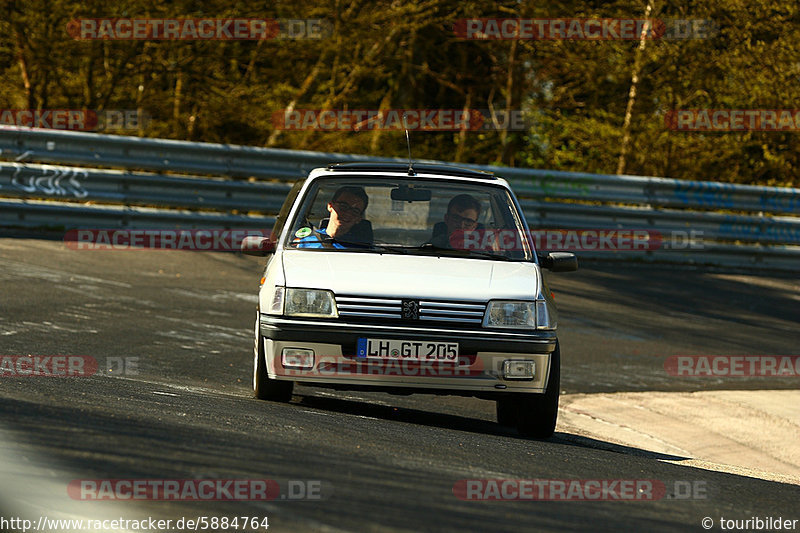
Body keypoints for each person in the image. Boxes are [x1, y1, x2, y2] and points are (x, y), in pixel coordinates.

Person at [294, 186, 370, 249]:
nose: (347, 213)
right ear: (330, 206)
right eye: (343, 206)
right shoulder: (305, 242)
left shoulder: (363, 250)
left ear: (359, 219)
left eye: (355, 211)